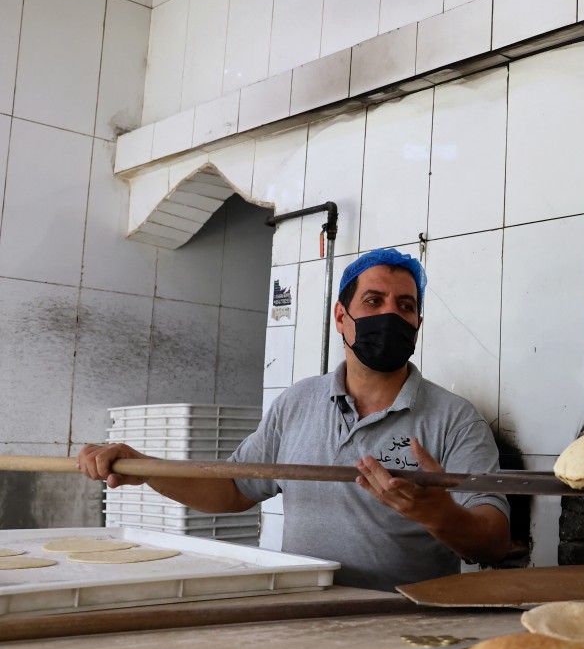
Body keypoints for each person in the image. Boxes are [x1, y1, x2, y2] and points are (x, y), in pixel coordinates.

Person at [77, 248, 511, 591]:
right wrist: (142, 467)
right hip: (303, 610)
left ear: (417, 322)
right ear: (342, 318)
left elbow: (493, 541)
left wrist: (440, 515)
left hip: (404, 622)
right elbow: (232, 488)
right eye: (373, 301)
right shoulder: (298, 402)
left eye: (405, 306)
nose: (390, 315)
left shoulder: (455, 420)